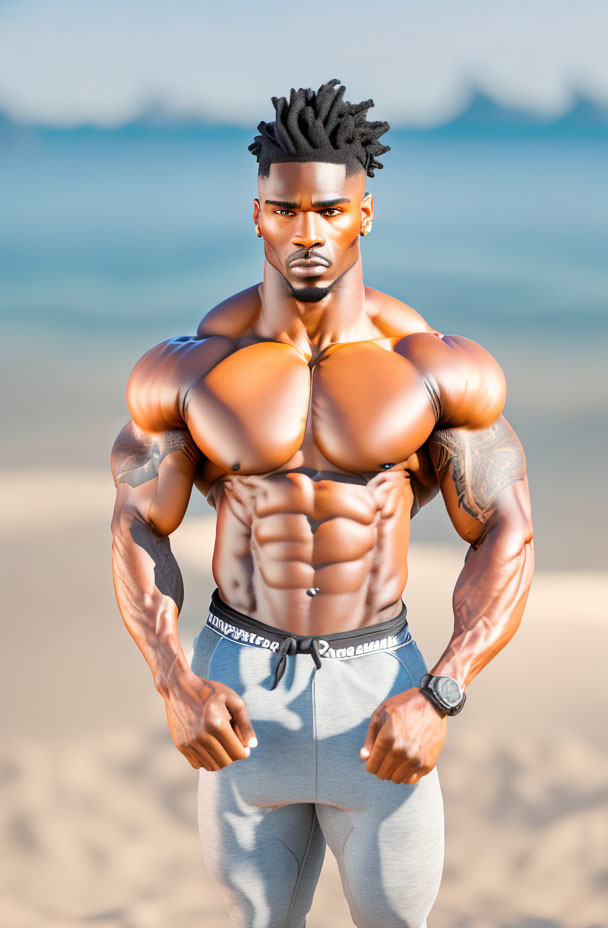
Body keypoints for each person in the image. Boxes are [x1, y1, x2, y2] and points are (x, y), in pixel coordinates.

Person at [110, 79, 535, 928]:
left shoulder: (431, 368)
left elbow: (506, 531)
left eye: (332, 212)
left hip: (379, 688)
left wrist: (442, 692)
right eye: (287, 210)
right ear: (258, 213)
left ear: (365, 214)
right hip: (239, 687)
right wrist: (173, 683)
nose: (309, 232)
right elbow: (135, 523)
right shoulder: (193, 370)